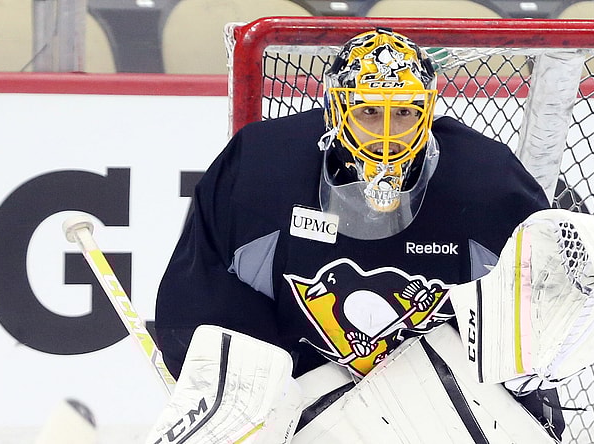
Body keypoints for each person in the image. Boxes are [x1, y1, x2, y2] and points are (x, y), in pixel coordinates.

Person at [155, 28, 564, 440]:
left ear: (428, 112)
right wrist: (234, 393)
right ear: (335, 109)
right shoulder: (261, 170)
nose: (387, 132)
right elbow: (198, 303)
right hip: (307, 399)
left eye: (404, 113)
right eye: (369, 111)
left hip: (434, 404)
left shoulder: (488, 184)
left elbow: (533, 320)